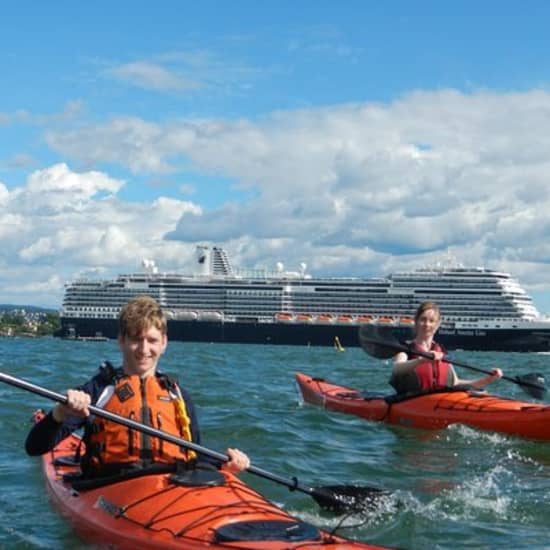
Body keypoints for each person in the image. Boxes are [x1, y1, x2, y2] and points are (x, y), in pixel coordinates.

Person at [26, 295, 250, 478]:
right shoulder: (98, 390)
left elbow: (195, 457)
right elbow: (34, 447)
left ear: (164, 343)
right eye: (135, 339)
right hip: (110, 486)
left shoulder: (177, 394)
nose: (144, 349)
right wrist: (59, 413)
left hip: (170, 486)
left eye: (152, 340)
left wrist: (225, 464)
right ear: (121, 340)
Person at [390, 301, 503, 395]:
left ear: (438, 324)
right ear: (416, 321)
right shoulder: (406, 349)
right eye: (423, 319)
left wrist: (488, 379)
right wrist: (422, 360)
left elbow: (455, 383)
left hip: (440, 401)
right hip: (412, 402)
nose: (427, 324)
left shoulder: (441, 351)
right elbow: (397, 369)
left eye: (431, 321)